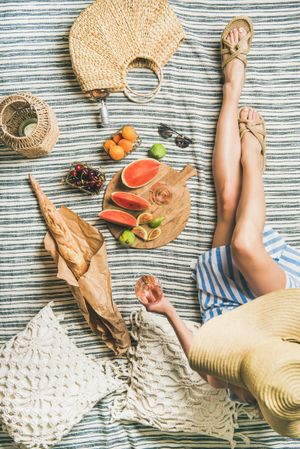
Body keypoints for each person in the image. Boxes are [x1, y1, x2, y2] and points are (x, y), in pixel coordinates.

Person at [140, 17, 300, 407]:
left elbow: (208, 372)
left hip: (227, 309)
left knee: (227, 202)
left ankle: (232, 89)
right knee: (245, 245)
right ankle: (252, 162)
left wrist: (167, 310)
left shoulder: (264, 394)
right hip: (282, 308)